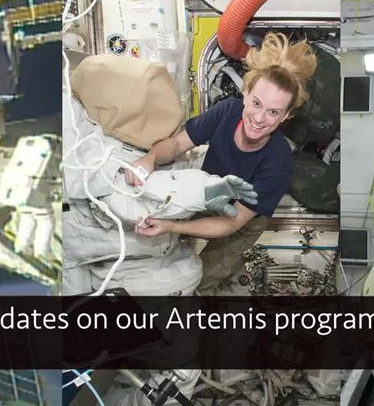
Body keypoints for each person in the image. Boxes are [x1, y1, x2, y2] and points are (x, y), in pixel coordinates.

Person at [125, 32, 317, 292]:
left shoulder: (279, 163)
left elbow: (231, 223)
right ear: (246, 93)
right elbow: (179, 144)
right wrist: (150, 158)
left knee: (201, 278)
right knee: (168, 255)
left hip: (241, 221)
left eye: (273, 112)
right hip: (207, 196)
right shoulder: (227, 111)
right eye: (257, 103)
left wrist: (172, 225)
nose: (260, 118)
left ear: (286, 116)